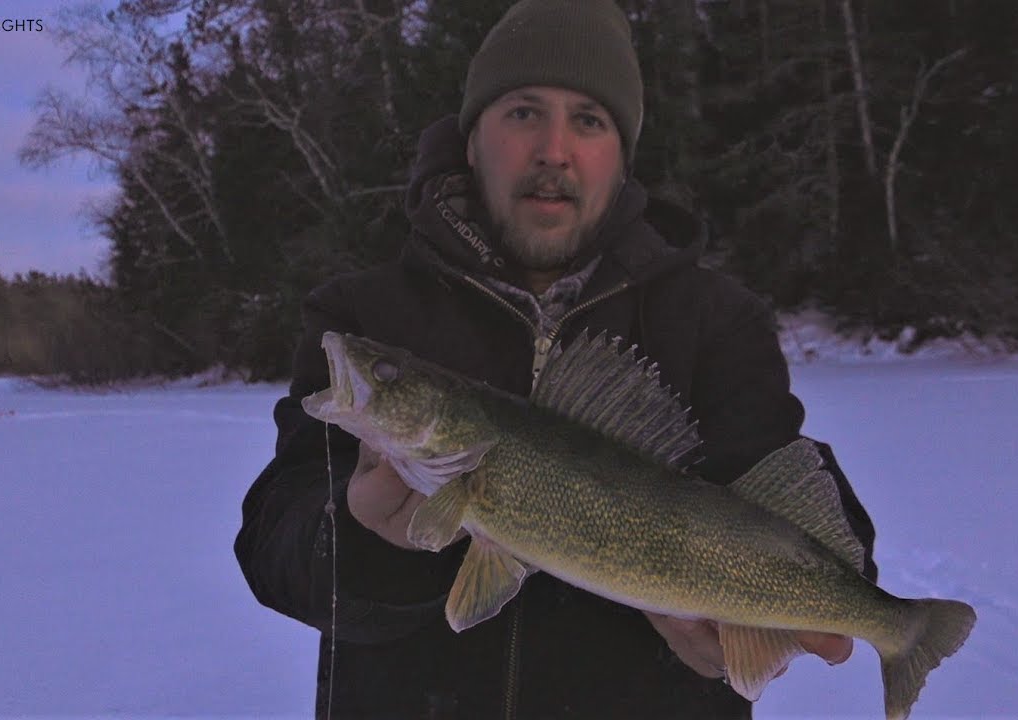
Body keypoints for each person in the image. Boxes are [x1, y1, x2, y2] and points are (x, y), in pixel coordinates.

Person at [235, 1, 877, 717]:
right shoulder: (363, 314)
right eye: (522, 112)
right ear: (470, 139)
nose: (554, 149)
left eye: (589, 120)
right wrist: (363, 544)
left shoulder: (716, 321)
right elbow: (276, 550)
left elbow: (797, 497)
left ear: (622, 156)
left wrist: (764, 619)